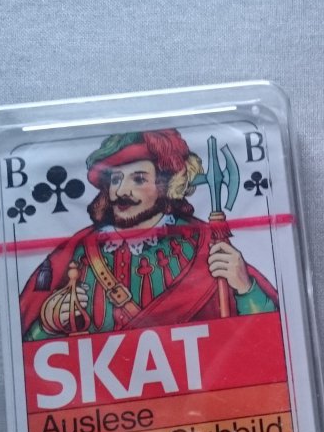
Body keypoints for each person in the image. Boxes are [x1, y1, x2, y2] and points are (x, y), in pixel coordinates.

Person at [20, 129, 276, 340]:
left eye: (139, 179)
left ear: (166, 185)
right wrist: (48, 324)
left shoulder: (206, 245)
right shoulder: (75, 253)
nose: (122, 191)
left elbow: (267, 338)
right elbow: (25, 350)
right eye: (115, 179)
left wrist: (245, 289)